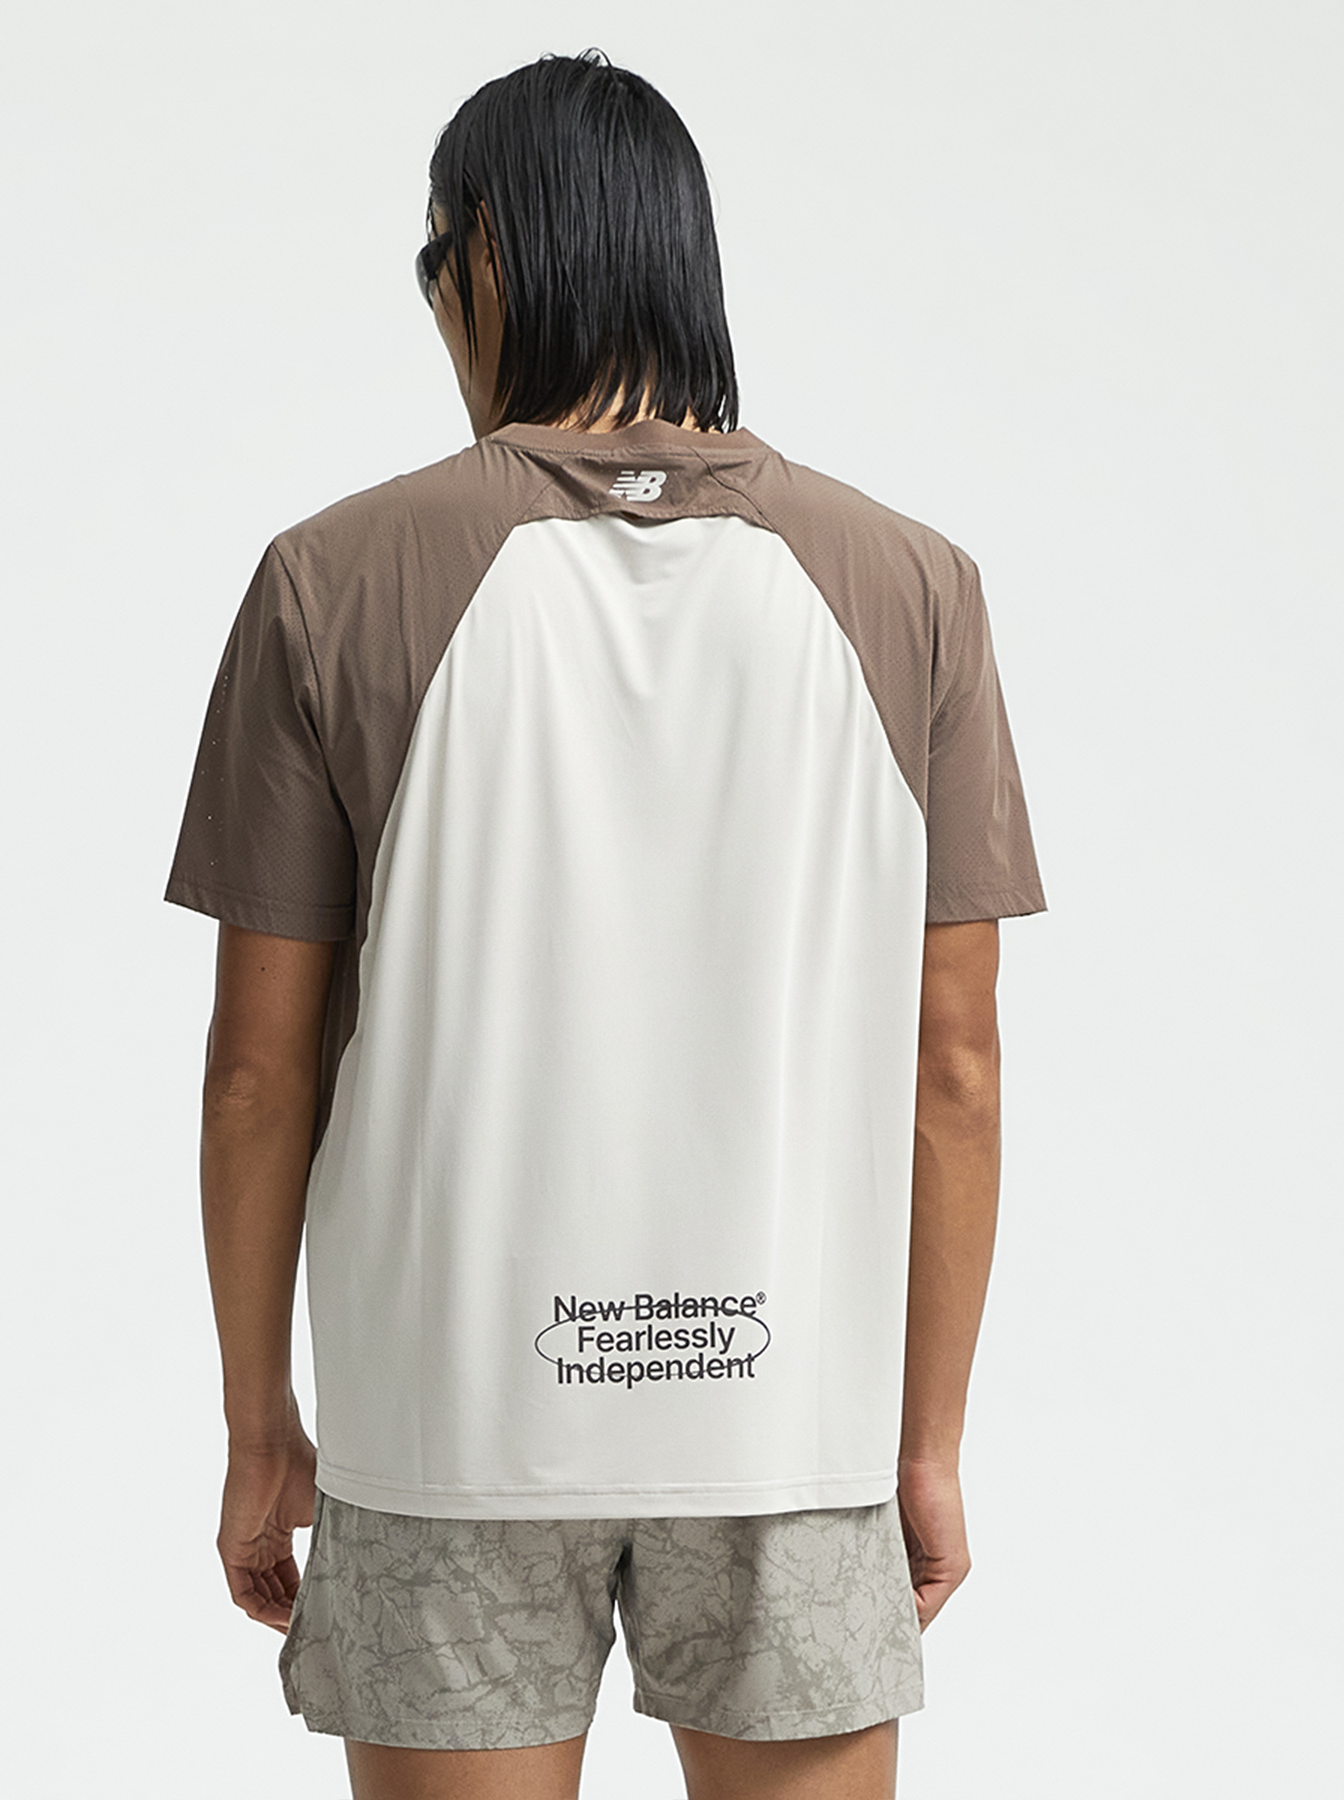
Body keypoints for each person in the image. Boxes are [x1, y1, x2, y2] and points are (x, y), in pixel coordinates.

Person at [164, 48, 1045, 1800]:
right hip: (789, 1423)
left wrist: (262, 1425)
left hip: (443, 1424)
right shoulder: (912, 585)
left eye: (434, 263)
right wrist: (925, 1442)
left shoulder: (332, 578)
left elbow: (260, 1075)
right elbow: (954, 1068)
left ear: (488, 256)